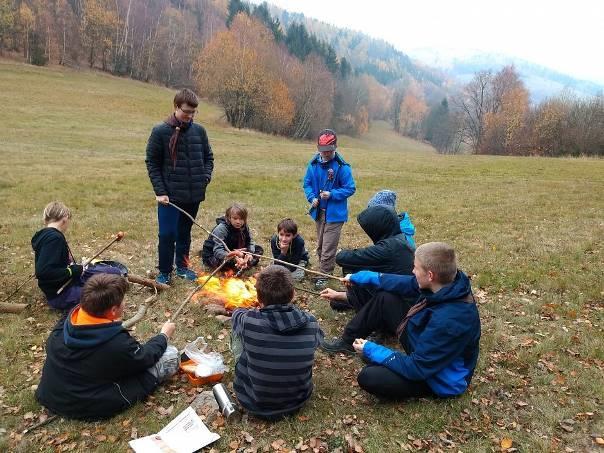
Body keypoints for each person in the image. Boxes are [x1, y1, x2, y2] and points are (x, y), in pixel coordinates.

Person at [322, 242, 481, 401]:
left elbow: (417, 368)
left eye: (416, 268)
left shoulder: (450, 320)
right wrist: (360, 278)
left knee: (369, 376)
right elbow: (401, 283)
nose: (412, 271)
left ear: (430, 275)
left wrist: (372, 350)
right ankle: (348, 341)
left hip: (439, 379)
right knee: (385, 298)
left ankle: (416, 384)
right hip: (426, 341)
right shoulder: (447, 283)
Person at [35, 273, 179, 421]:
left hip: (50, 394)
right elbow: (144, 358)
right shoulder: (117, 344)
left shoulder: (70, 317)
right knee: (171, 355)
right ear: (113, 311)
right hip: (85, 406)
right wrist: (163, 336)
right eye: (123, 301)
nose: (125, 303)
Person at [231, 266, 324, 420]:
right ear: (293, 294)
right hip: (297, 401)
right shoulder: (311, 322)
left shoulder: (249, 321)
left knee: (238, 334)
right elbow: (318, 342)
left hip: (254, 402)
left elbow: (236, 314)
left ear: (259, 299)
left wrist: (255, 310)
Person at [145, 88, 214, 285]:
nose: (190, 116)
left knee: (184, 232)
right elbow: (152, 162)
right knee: (167, 234)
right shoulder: (160, 131)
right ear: (176, 107)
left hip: (193, 195)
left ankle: (182, 267)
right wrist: (160, 191)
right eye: (186, 111)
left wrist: (205, 177)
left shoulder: (199, 131)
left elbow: (208, 157)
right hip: (169, 196)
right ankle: (165, 272)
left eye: (193, 112)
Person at [321, 205, 415, 311]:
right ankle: (353, 300)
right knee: (337, 301)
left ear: (378, 227)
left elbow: (342, 258)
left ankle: (365, 309)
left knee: (352, 267)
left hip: (399, 304)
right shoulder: (399, 239)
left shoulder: (388, 248)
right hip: (400, 295)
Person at [31, 202, 121, 310]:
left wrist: (73, 268)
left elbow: (54, 264)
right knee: (106, 293)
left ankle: (90, 286)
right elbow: (43, 272)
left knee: (114, 273)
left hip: (69, 280)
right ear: (65, 219)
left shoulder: (47, 235)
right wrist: (71, 271)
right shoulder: (53, 238)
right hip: (61, 294)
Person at [303, 129, 356, 290]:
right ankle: (324, 269)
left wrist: (331, 194)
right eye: (323, 150)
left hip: (335, 215)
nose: (325, 154)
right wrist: (312, 197)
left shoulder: (342, 167)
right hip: (320, 213)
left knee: (328, 247)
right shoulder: (313, 165)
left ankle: (325, 274)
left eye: (329, 151)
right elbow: (307, 184)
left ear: (335, 148)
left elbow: (350, 188)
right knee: (320, 246)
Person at [200, 203, 263, 273]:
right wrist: (234, 256)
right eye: (235, 218)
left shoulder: (244, 226)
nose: (238, 222)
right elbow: (218, 251)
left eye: (241, 219)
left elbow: (250, 241)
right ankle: (240, 265)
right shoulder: (221, 229)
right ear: (229, 218)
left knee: (258, 249)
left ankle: (242, 264)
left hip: (235, 249)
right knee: (225, 262)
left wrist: (249, 253)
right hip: (216, 254)